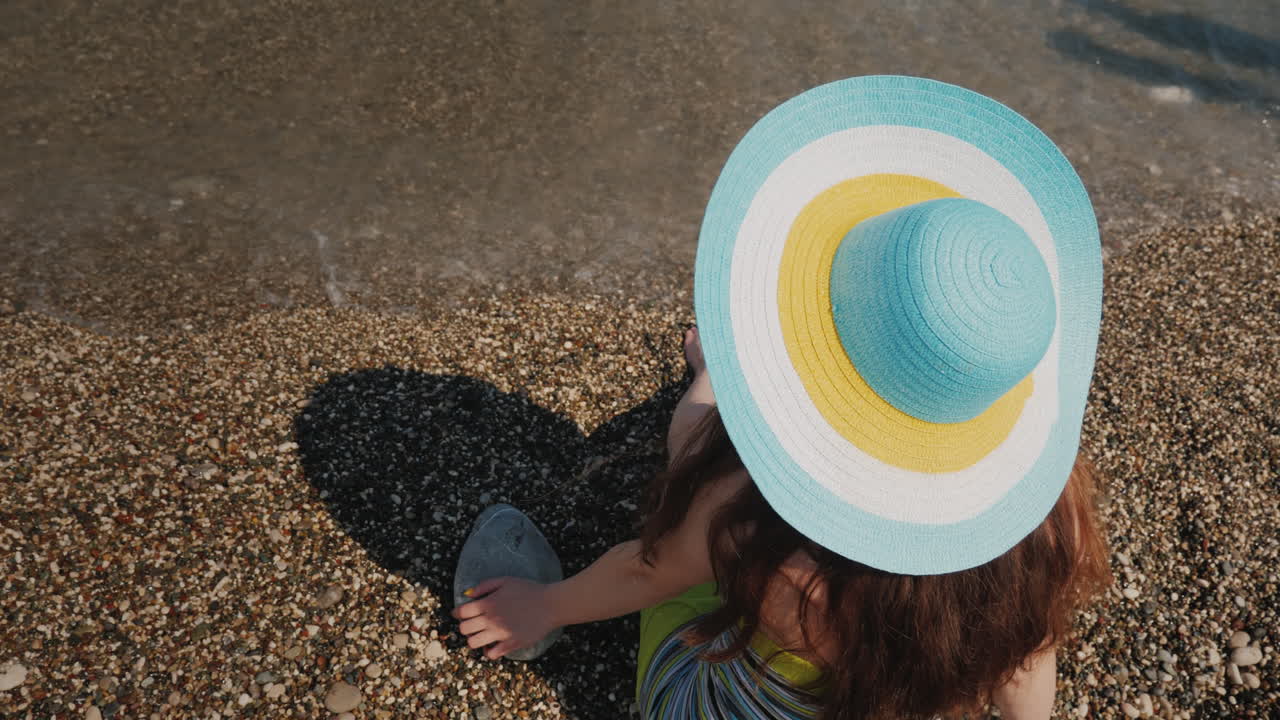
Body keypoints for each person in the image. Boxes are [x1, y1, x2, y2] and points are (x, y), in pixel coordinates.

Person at [453, 76, 1114, 720]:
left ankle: (714, 373)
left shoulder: (752, 532)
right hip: (871, 693)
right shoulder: (1044, 528)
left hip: (714, 696)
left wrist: (548, 606)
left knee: (699, 443)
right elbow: (1027, 663)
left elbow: (646, 575)